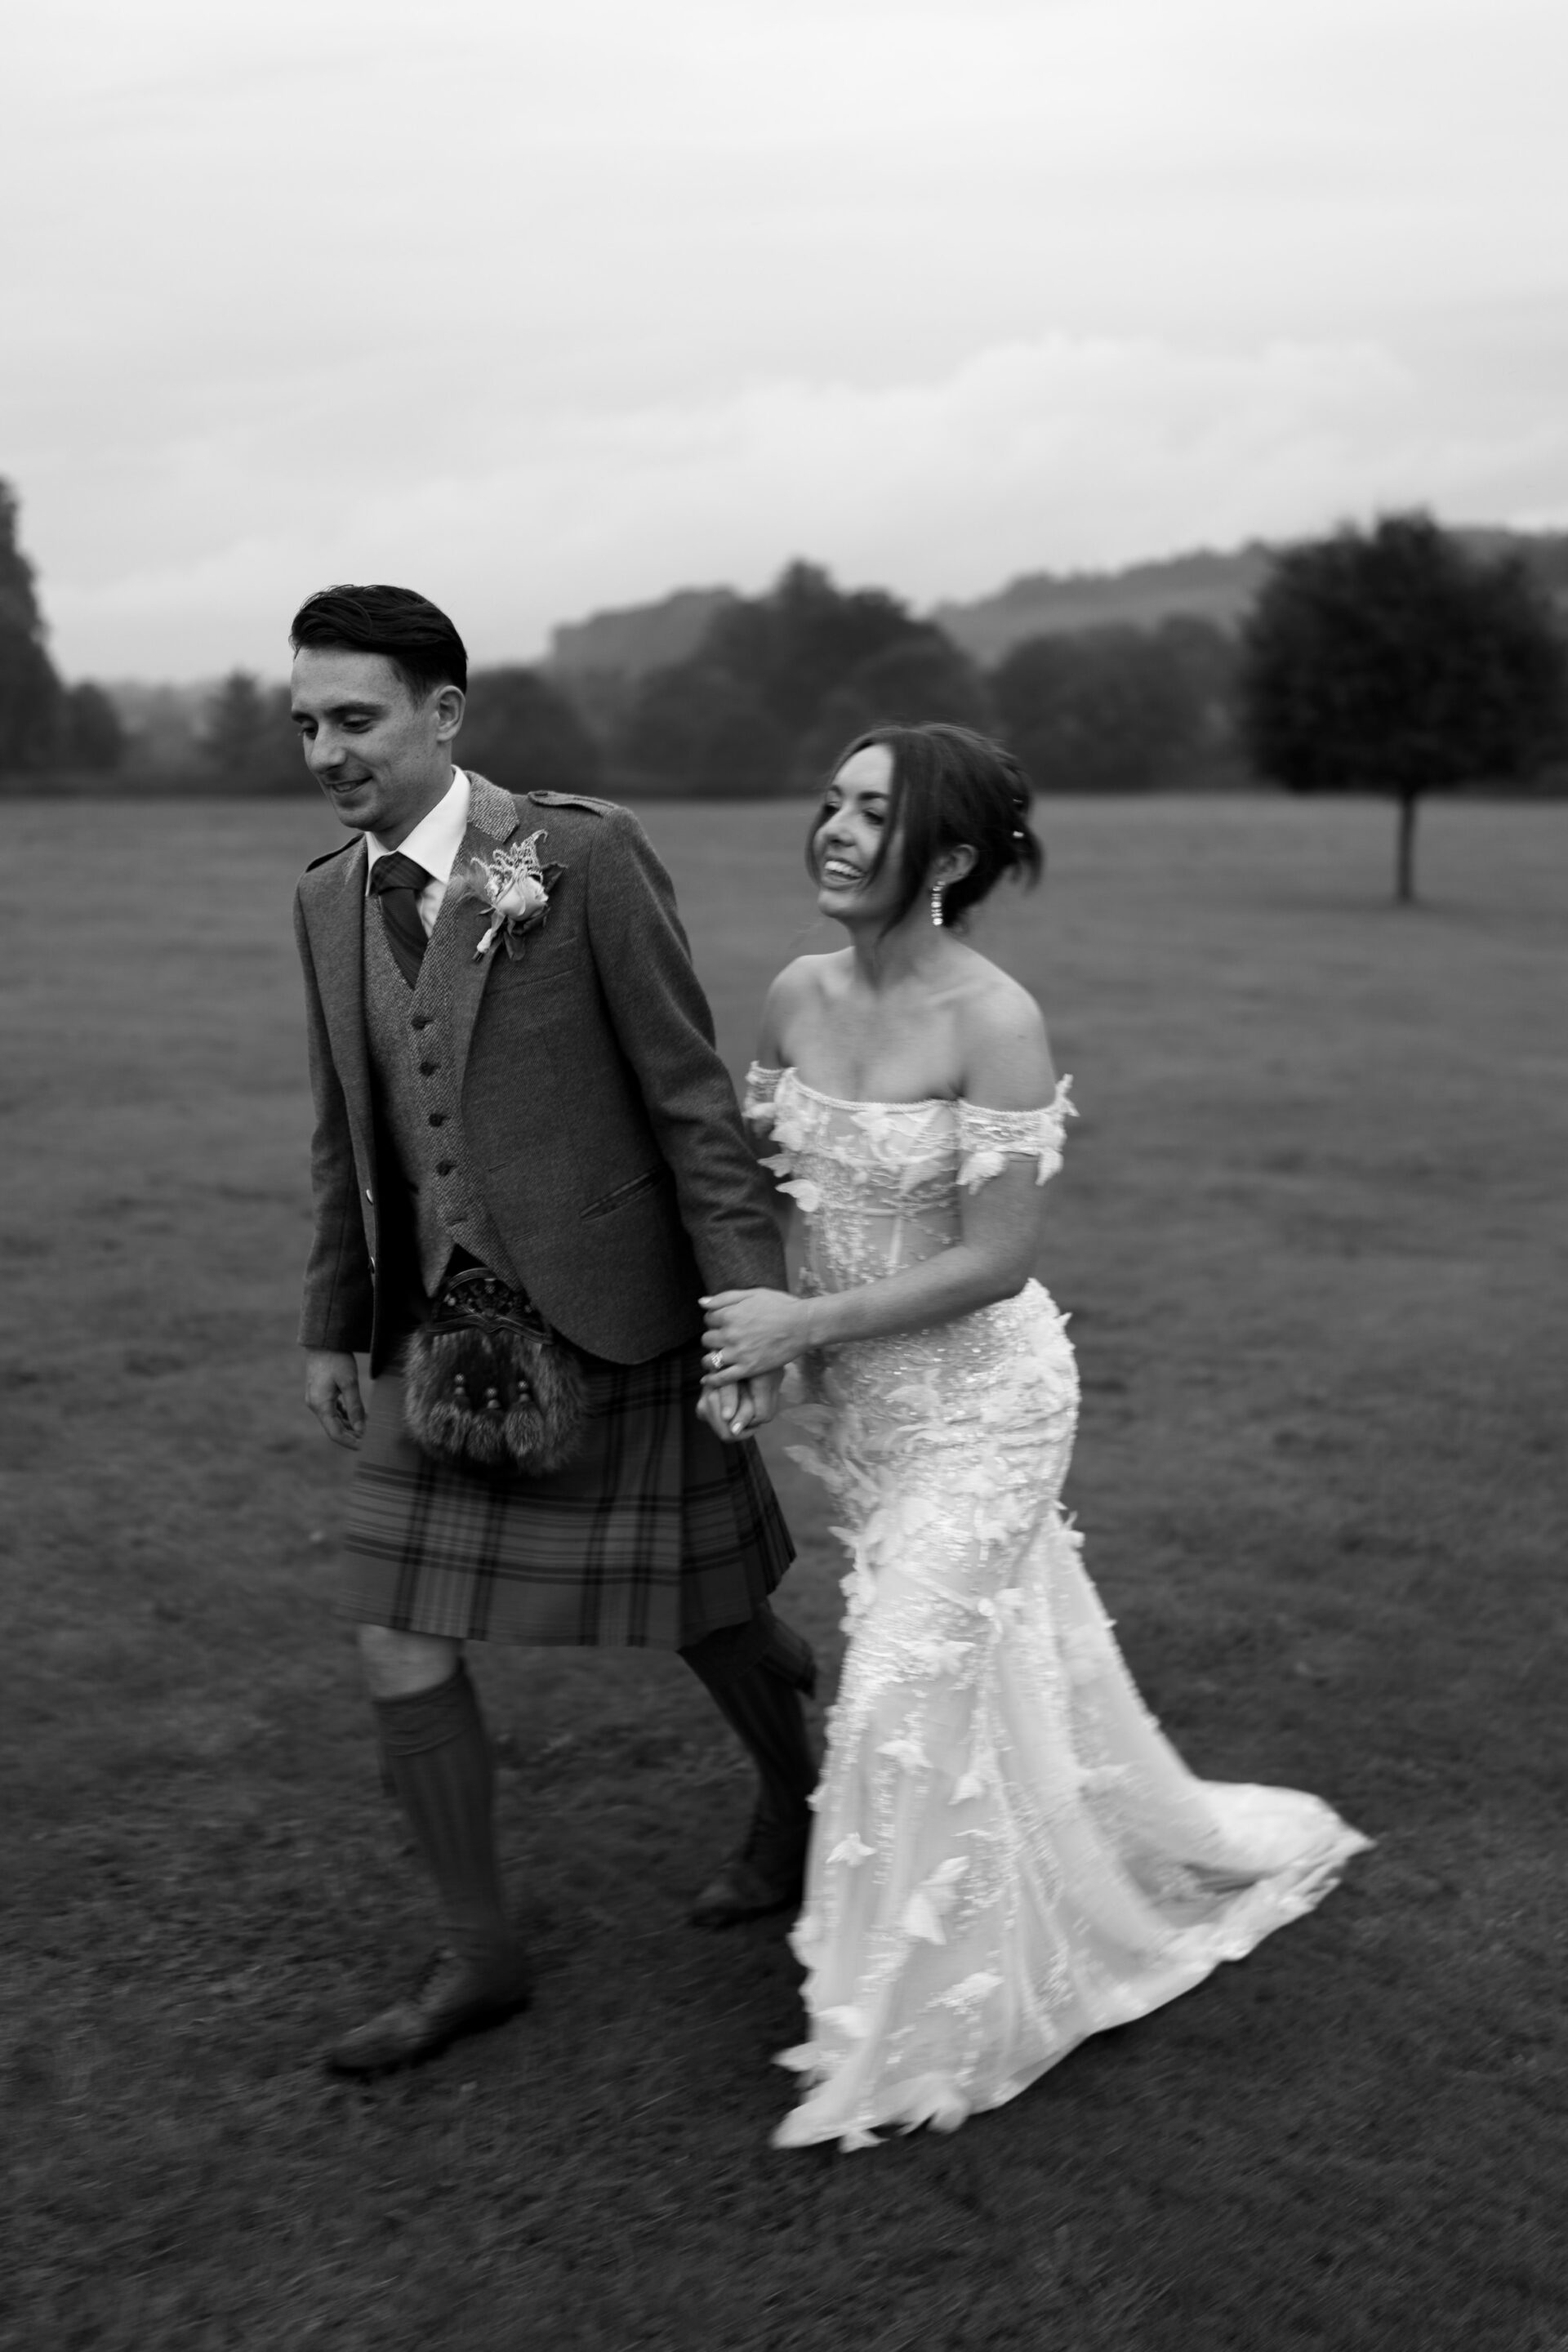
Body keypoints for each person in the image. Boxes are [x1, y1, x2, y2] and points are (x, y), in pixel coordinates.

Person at [699, 721, 1370, 2150]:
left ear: (945, 857)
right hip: (869, 1409)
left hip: (986, 1406)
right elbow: (769, 1201)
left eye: (870, 814)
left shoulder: (994, 1019)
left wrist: (800, 1332)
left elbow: (997, 1258)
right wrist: (754, 1346)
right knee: (975, 1670)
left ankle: (912, 2029)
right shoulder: (793, 997)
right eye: (829, 800)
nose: (830, 828)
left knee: (897, 1687)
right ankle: (1039, 1869)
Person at [290, 583, 816, 2076]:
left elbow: (693, 1098)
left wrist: (747, 1316)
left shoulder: (578, 856)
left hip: (622, 1312)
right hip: (441, 1328)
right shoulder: (326, 898)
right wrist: (336, 1319)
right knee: (395, 1629)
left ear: (444, 714)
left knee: (709, 1614)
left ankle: (800, 1805)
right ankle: (480, 1954)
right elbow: (349, 1132)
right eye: (307, 724)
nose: (327, 749)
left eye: (357, 718)